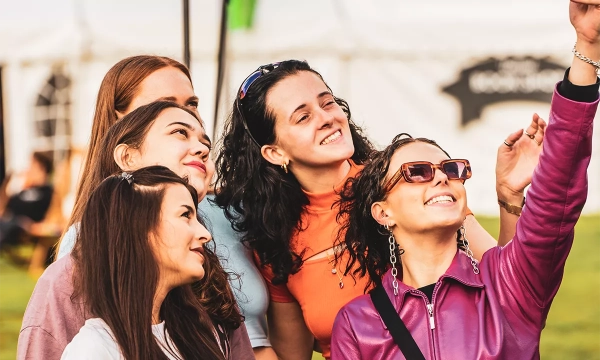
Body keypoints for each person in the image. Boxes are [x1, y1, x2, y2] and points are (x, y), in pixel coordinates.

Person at [214, 60, 542, 358]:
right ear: (274, 152)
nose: (327, 117)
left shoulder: (405, 181)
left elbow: (508, 286)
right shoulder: (274, 237)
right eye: (303, 116)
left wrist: (510, 198)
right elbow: (292, 355)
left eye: (327, 102)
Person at [329, 2, 600, 358]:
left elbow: (557, 189)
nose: (441, 177)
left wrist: (588, 43)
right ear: (383, 212)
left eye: (451, 168)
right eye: (418, 172)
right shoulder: (357, 323)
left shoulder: (508, 285)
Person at [18, 58, 256, 360]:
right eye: (178, 128)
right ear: (127, 150)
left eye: (193, 105)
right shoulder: (75, 276)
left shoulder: (204, 264)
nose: (200, 145)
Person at [61, 166, 227, 359]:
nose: (205, 234)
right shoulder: (94, 349)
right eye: (185, 215)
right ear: (137, 230)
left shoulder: (198, 333)